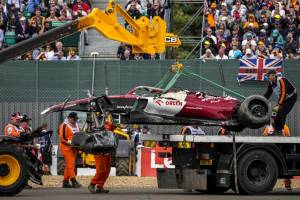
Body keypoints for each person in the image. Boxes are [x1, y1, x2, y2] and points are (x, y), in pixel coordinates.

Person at [264, 69, 297, 135]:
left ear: (274, 75)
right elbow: (268, 93)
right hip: (283, 98)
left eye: (268, 75)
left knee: (282, 111)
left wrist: (279, 105)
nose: (267, 77)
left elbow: (283, 93)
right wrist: (262, 99)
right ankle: (276, 128)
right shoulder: (271, 82)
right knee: (274, 112)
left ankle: (281, 129)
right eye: (267, 76)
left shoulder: (281, 80)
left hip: (291, 97)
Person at [88, 113, 115, 193]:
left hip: (107, 151)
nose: (104, 119)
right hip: (99, 151)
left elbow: (115, 126)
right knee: (101, 170)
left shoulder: (108, 125)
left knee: (107, 170)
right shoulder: (94, 126)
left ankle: (100, 186)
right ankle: (92, 184)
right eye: (103, 117)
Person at [58, 112, 82, 188]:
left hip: (74, 147)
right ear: (70, 118)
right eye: (74, 119)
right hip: (66, 147)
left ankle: (65, 181)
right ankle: (73, 181)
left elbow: (79, 134)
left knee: (69, 164)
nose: (75, 121)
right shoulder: (64, 125)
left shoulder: (76, 125)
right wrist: (72, 143)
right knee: (71, 164)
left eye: (76, 119)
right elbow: (63, 138)